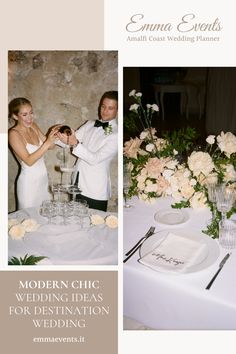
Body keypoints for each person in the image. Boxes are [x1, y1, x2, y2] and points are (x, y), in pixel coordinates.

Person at [57, 91, 118, 211]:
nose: (105, 111)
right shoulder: (90, 124)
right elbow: (68, 141)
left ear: (117, 110)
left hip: (95, 190)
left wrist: (75, 143)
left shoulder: (116, 134)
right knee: (75, 222)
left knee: (95, 226)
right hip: (77, 183)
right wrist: (53, 138)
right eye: (103, 106)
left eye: (110, 108)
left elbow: (95, 159)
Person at [8, 97, 58, 209]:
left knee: (45, 217)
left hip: (43, 181)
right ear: (15, 116)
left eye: (31, 113)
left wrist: (53, 135)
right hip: (28, 184)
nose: (30, 118)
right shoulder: (13, 134)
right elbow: (29, 161)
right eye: (24, 114)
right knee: (28, 221)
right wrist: (47, 142)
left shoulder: (33, 125)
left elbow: (50, 146)